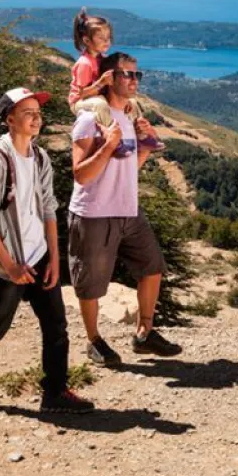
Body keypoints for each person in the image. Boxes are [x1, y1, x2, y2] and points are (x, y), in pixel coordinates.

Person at [0, 87, 94, 414]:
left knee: (56, 325)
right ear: (9, 119)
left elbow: (50, 209)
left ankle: (55, 392)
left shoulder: (39, 158)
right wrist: (10, 265)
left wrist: (54, 258)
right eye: (28, 113)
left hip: (38, 256)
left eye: (38, 112)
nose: (37, 118)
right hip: (3, 262)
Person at [68, 51, 180, 366]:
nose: (134, 80)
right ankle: (93, 340)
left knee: (153, 266)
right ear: (108, 78)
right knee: (91, 282)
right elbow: (81, 174)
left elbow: (129, 167)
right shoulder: (91, 118)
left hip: (128, 209)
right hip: (94, 212)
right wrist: (107, 144)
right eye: (127, 74)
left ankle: (144, 333)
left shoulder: (128, 118)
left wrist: (145, 145)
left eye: (136, 74)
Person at [69, 8, 157, 148]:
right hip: (79, 102)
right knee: (101, 105)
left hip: (96, 97)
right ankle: (114, 139)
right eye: (101, 38)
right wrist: (101, 83)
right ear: (86, 40)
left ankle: (142, 134)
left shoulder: (101, 59)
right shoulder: (84, 64)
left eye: (108, 38)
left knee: (132, 102)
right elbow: (81, 94)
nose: (107, 42)